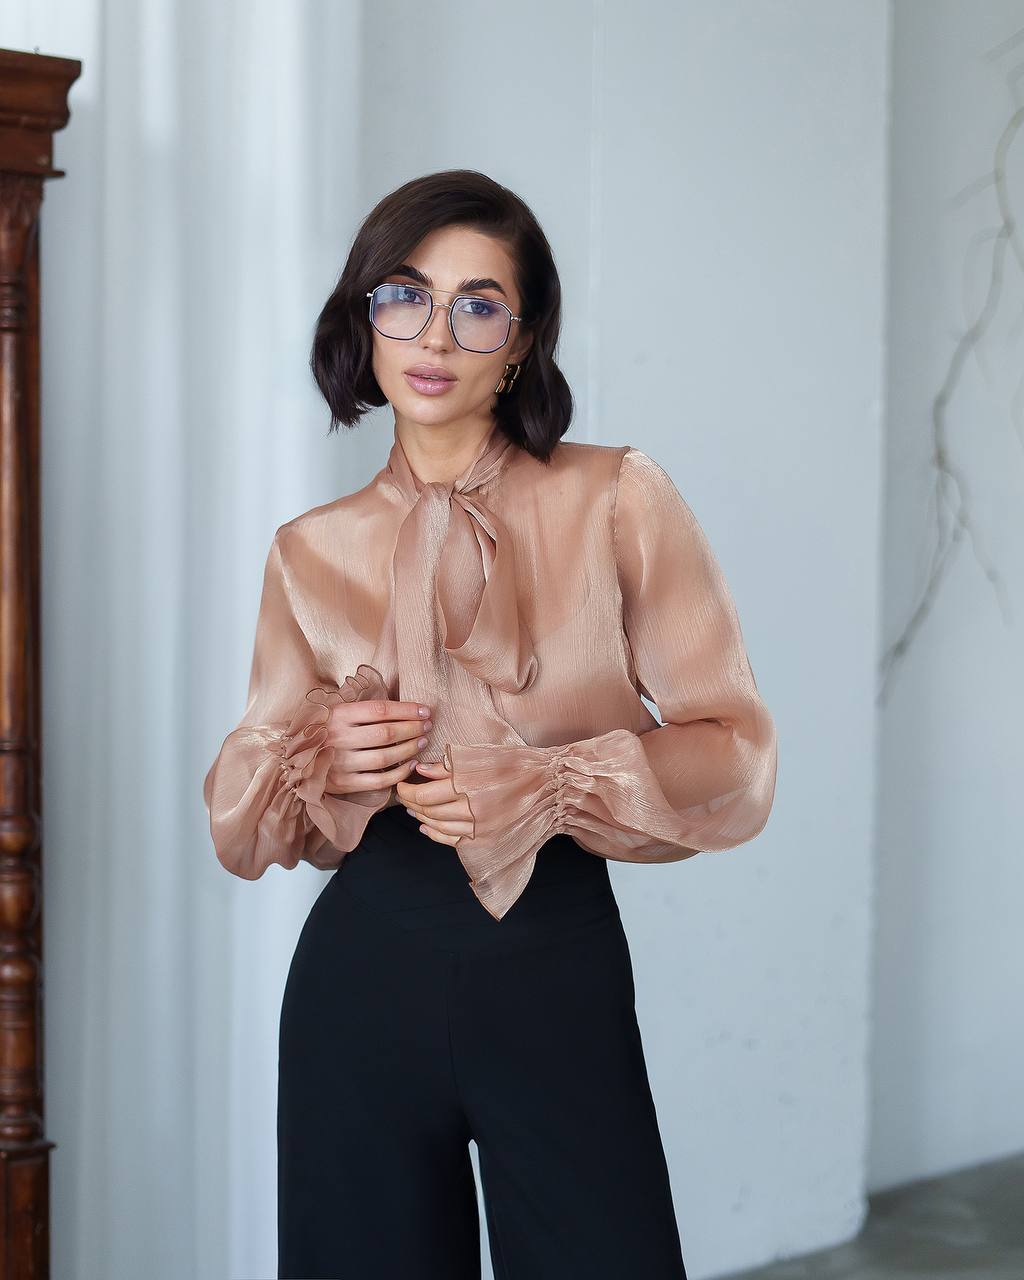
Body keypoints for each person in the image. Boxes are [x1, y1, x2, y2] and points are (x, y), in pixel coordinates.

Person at [203, 168, 778, 1280]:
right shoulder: (307, 549)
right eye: (404, 294)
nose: (434, 333)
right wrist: (318, 758)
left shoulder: (614, 495)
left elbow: (736, 748)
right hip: (360, 974)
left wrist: (552, 783)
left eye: (478, 305)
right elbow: (245, 828)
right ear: (364, 316)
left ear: (519, 342)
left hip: (550, 964)